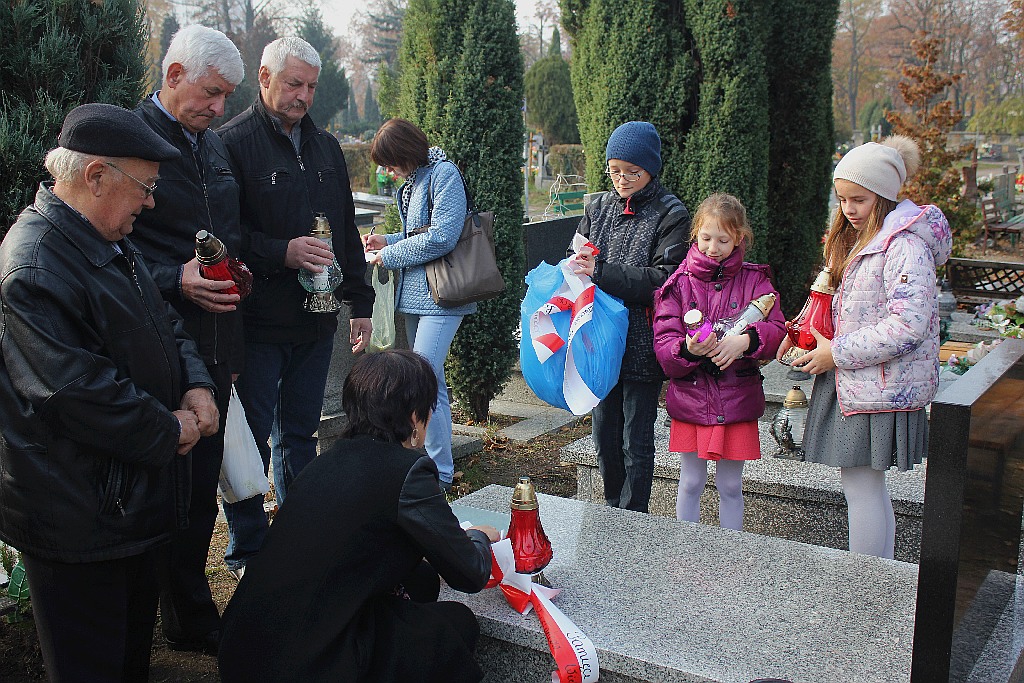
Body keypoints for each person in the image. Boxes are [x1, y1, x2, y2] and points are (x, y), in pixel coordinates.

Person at [0, 103, 218, 682]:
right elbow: (76, 392)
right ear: (95, 176)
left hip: (126, 506)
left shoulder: (108, 237)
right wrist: (172, 429)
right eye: (143, 187)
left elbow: (164, 321)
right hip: (77, 516)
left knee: (128, 661)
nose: (150, 202)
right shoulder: (36, 267)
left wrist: (196, 382)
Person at [218, 350, 499, 683]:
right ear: (413, 416)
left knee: (420, 581)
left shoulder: (324, 463)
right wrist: (478, 537)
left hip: (244, 650)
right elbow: (470, 574)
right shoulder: (407, 471)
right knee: (453, 623)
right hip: (307, 666)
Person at [218, 37, 373, 579]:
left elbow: (347, 230)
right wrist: (280, 252)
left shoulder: (327, 148)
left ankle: (299, 539)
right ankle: (248, 553)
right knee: (251, 438)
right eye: (293, 84)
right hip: (258, 323)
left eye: (310, 85)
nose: (303, 96)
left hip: (316, 317)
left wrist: (359, 299)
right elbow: (220, 238)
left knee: (300, 433)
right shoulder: (230, 143)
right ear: (263, 77)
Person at [776, 136, 951, 559]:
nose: (848, 210)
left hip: (875, 385)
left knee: (861, 485)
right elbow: (839, 300)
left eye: (858, 199)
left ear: (885, 197)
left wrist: (835, 352)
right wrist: (800, 330)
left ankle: (867, 581)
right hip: (861, 381)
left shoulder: (904, 246)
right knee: (865, 486)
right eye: (842, 200)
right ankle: (880, 574)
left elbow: (908, 324)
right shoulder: (866, 240)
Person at [131, 24, 245, 653]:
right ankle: (165, 616)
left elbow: (225, 228)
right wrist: (173, 278)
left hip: (217, 338)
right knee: (169, 491)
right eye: (210, 93)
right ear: (172, 75)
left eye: (226, 96)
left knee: (202, 490)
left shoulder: (212, 145)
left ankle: (190, 616)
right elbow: (104, 253)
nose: (219, 109)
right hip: (156, 343)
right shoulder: (132, 141)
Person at [566, 121, 690, 513]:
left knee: (636, 438)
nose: (622, 179)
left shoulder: (671, 212)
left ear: (651, 169)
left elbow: (663, 279)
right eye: (614, 170)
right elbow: (578, 255)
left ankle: (634, 516)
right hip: (600, 338)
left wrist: (599, 272)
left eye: (632, 172)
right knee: (604, 434)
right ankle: (609, 507)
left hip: (641, 339)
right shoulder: (598, 206)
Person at [652, 193, 786, 530]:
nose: (713, 247)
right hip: (693, 397)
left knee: (730, 486)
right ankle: (686, 547)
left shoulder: (756, 280)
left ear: (739, 238)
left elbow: (778, 330)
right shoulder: (680, 284)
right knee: (690, 482)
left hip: (737, 397)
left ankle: (732, 550)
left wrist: (747, 340)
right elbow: (665, 344)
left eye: (723, 240)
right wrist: (688, 349)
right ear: (695, 234)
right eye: (706, 238)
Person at [363, 118, 474, 492]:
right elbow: (418, 234)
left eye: (390, 161)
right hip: (417, 292)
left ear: (406, 152)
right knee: (429, 381)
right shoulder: (416, 180)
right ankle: (431, 464)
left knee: (425, 380)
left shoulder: (444, 175)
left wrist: (390, 254)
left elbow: (443, 236)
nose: (387, 170)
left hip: (443, 294)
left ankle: (440, 472)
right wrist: (387, 240)